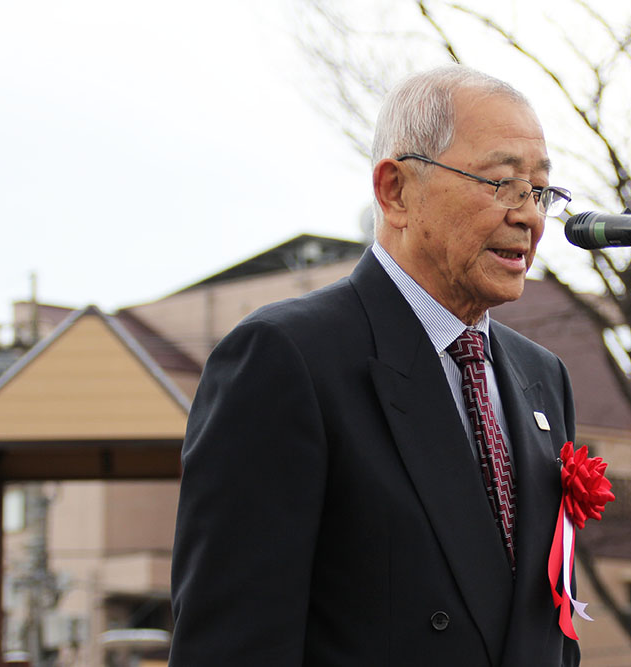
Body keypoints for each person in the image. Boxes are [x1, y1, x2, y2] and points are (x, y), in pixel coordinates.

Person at [169, 65, 579, 666]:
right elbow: (231, 645)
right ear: (396, 191)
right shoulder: (286, 358)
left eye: (540, 190)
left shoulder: (542, 377)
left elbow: (549, 626)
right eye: (501, 184)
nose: (529, 217)